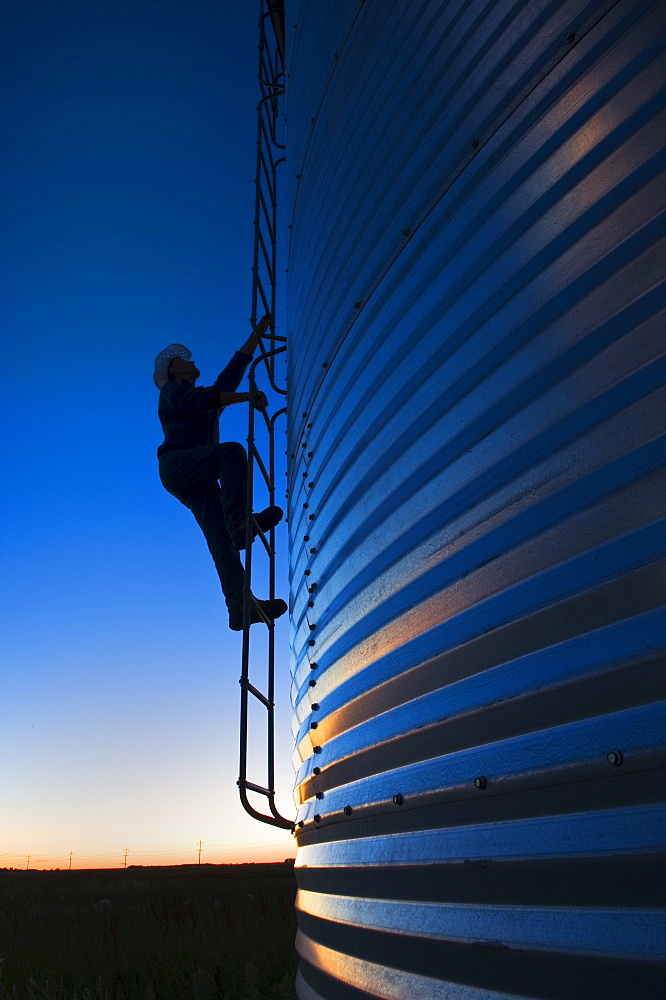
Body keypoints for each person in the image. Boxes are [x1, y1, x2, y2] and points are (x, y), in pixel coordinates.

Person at [153, 315, 287, 631]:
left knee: (220, 541)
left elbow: (228, 379)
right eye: (184, 361)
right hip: (177, 466)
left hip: (197, 475)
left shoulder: (205, 403)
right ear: (174, 371)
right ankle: (240, 522)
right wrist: (247, 397)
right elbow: (206, 397)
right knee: (231, 452)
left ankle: (240, 606)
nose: (192, 361)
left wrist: (255, 335)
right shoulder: (172, 392)